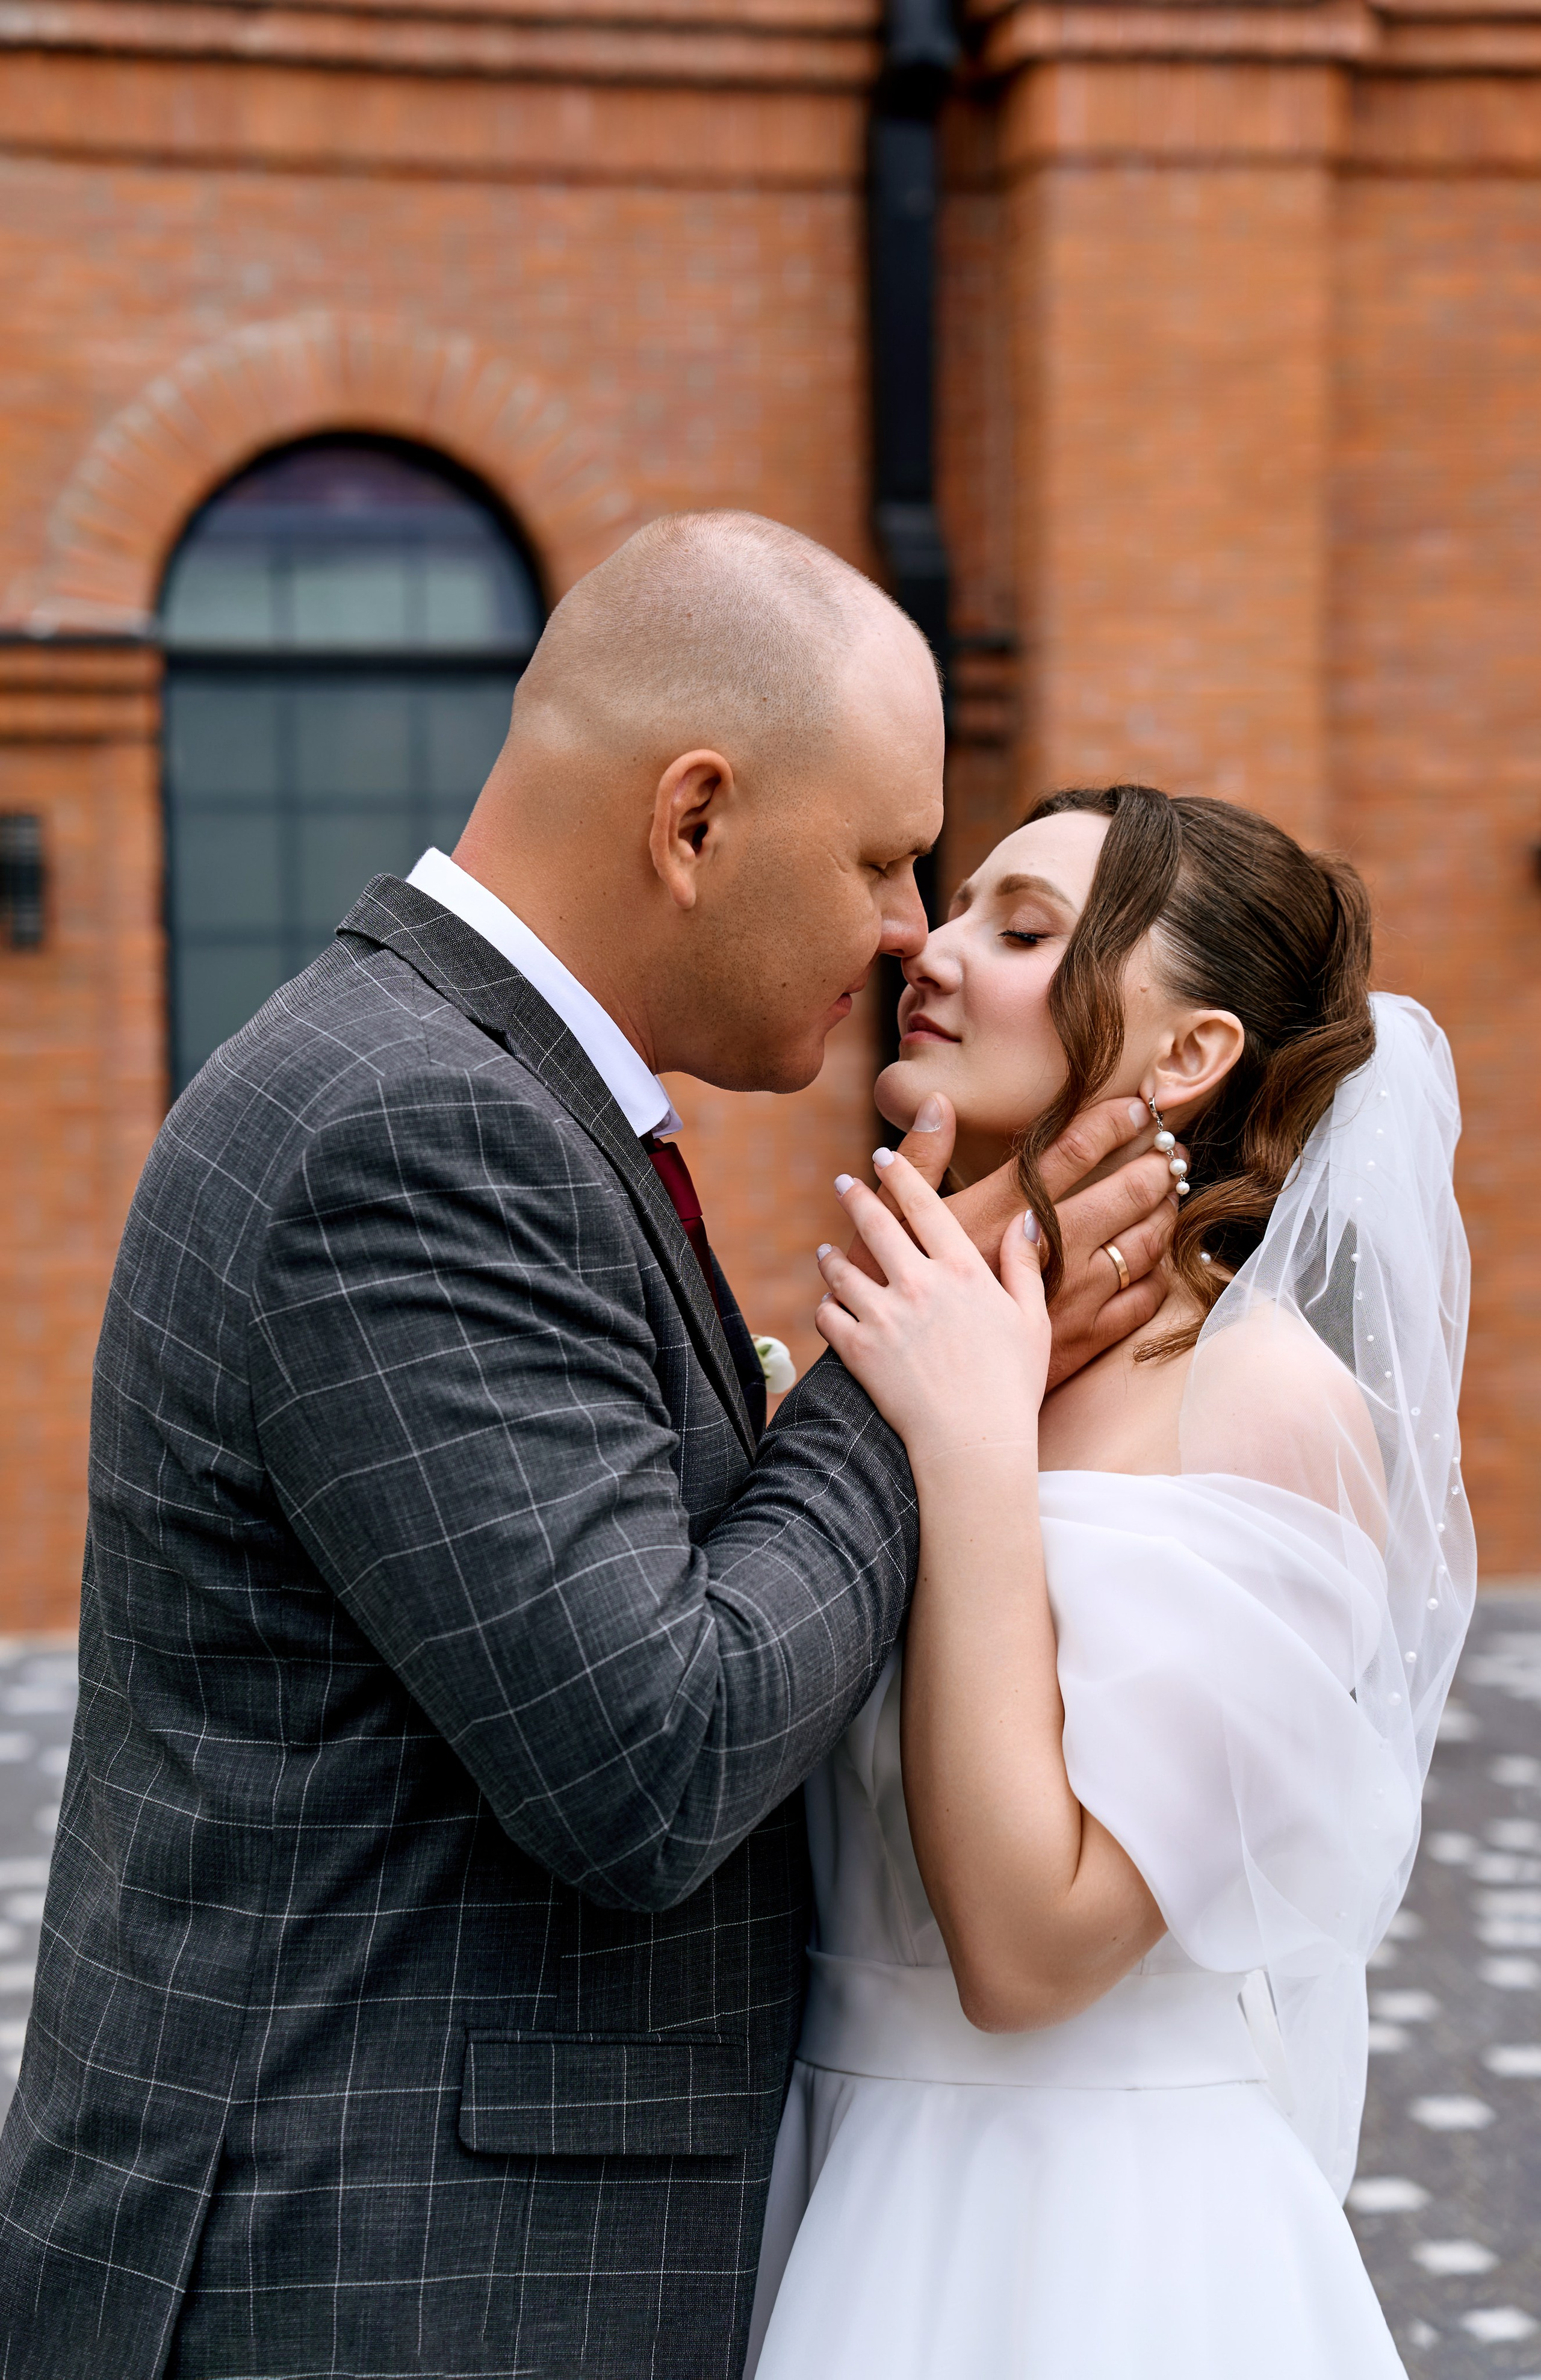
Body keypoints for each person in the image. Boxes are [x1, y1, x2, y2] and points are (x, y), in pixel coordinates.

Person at [0, 518, 1178, 2380]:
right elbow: (657, 1752)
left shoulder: (483, 1094)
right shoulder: (411, 1130)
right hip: (365, 2286)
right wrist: (925, 1360)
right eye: (882, 854)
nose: (904, 927)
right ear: (693, 818)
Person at [746, 784, 1475, 2380]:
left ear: (1193, 1054)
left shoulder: (1258, 1401)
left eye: (1016, 930)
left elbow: (1033, 1948)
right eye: (953, 908)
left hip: (1098, 2245)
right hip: (825, 2188)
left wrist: (970, 1441)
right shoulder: (911, 1356)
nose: (926, 948)